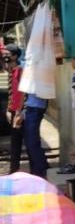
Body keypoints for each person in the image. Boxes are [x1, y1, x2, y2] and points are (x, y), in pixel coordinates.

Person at [3, 45, 25, 173]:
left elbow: (21, 93)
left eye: (8, 54)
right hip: (13, 110)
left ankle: (14, 169)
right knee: (15, 140)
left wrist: (17, 112)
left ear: (15, 56)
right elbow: (11, 93)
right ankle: (14, 169)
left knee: (17, 140)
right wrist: (8, 109)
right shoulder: (11, 71)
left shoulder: (19, 70)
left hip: (18, 110)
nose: (5, 56)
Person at [22, 91, 49, 178]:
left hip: (35, 107)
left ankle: (41, 170)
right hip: (31, 107)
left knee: (32, 142)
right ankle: (38, 170)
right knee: (30, 141)